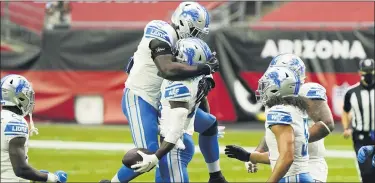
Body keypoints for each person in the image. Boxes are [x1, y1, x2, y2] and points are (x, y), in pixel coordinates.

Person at [102, 2, 226, 183]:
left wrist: (203, 77)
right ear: (183, 23)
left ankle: (216, 176)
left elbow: (199, 90)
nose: (197, 36)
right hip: (141, 97)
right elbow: (167, 69)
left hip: (167, 102)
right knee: (150, 154)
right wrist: (203, 68)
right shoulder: (160, 30)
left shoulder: (188, 47)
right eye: (195, 30)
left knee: (209, 124)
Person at [130, 37, 214, 182]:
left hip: (173, 146)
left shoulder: (179, 85)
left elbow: (175, 129)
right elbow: (203, 101)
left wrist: (156, 156)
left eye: (176, 52)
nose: (172, 55)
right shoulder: (198, 78)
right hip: (181, 140)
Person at [248, 53, 334, 182]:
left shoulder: (307, 91)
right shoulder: (274, 95)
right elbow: (276, 131)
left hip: (310, 163)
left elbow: (327, 123)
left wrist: (296, 141)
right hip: (284, 159)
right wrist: (258, 152)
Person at [225, 67, 313, 182]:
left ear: (281, 88)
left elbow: (287, 157)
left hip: (290, 178)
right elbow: (280, 156)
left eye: (267, 85)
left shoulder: (279, 111)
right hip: (299, 176)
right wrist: (249, 156)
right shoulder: (295, 110)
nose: (262, 89)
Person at [1, 74, 68, 183]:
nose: (30, 99)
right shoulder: (15, 122)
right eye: (27, 94)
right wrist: (51, 178)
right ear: (18, 96)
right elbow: (20, 169)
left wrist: (36, 175)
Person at [342, 58, 375, 183]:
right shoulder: (351, 92)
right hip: (361, 137)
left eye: (370, 70)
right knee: (367, 172)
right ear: (360, 72)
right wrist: (346, 128)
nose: (368, 74)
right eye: (365, 71)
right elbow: (345, 111)